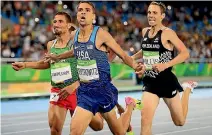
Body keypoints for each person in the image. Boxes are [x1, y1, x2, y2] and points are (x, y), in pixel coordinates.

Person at [45, 1, 144, 135]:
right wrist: (59, 57)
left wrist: (135, 65)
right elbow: (76, 50)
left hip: (103, 91)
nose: (83, 12)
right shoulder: (74, 36)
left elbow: (122, 54)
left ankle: (130, 106)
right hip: (85, 92)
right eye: (80, 10)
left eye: (87, 10)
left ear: (93, 16)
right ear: (77, 14)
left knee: (119, 132)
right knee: (74, 132)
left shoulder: (101, 34)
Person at [131, 2, 198, 135]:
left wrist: (165, 65)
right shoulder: (145, 31)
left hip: (167, 82)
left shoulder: (168, 33)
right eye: (149, 12)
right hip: (150, 83)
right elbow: (146, 50)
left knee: (180, 121)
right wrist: (131, 58)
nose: (151, 15)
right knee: (145, 123)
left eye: (154, 13)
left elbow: (185, 53)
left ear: (162, 16)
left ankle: (186, 90)